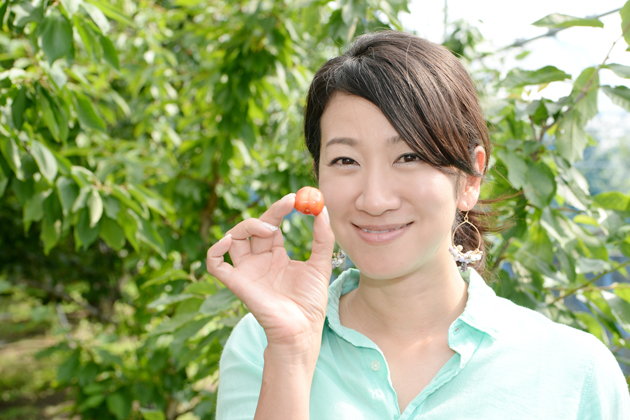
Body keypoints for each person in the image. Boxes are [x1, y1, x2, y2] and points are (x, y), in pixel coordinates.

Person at [206, 31, 629, 419]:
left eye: (410, 157)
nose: (374, 199)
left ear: (471, 178)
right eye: (345, 161)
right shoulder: (264, 343)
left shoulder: (573, 372)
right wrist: (292, 354)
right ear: (318, 177)